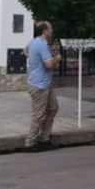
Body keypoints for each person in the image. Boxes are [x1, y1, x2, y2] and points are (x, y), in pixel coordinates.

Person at [26, 20, 61, 151]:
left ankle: (44, 138)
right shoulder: (41, 45)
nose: (52, 31)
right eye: (50, 29)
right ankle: (30, 142)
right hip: (39, 84)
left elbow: (25, 51)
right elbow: (49, 65)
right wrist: (57, 57)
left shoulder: (33, 42)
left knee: (53, 108)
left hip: (45, 83)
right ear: (45, 31)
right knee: (39, 114)